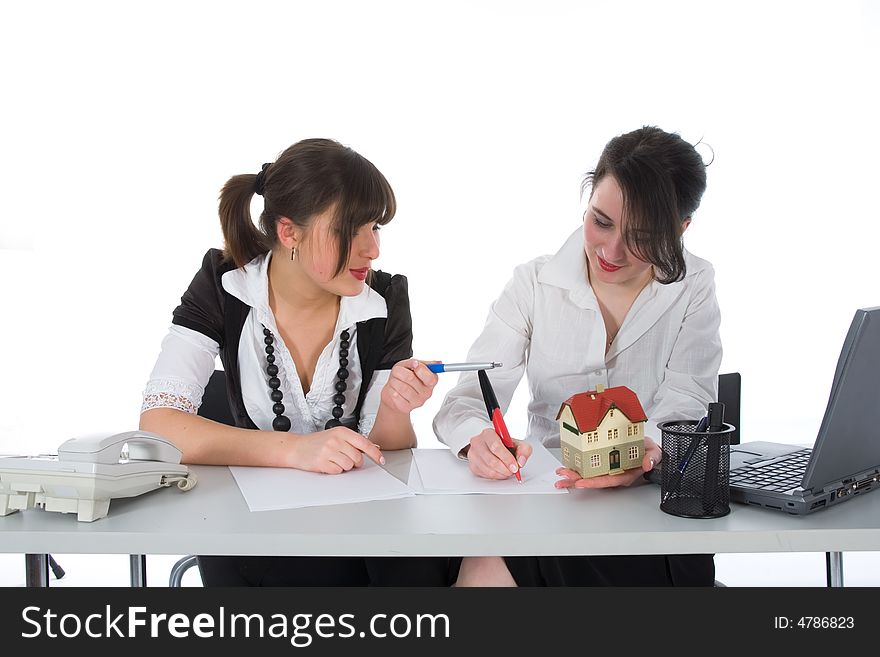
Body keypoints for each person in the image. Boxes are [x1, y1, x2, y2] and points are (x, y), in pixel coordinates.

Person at [140, 138, 454, 586]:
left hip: (362, 532)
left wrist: (395, 408)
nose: (372, 249)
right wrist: (296, 451)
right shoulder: (224, 283)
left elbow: (393, 452)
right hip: (255, 533)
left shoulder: (384, 300)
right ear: (290, 232)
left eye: (376, 227)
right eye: (351, 229)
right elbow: (158, 426)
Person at [433, 126, 722, 586]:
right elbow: (466, 401)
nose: (611, 251)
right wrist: (478, 441)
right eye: (601, 221)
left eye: (642, 237)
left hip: (650, 512)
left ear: (680, 229)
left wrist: (640, 455)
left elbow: (687, 399)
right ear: (587, 200)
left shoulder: (693, 286)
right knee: (480, 570)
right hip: (549, 504)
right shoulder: (534, 283)